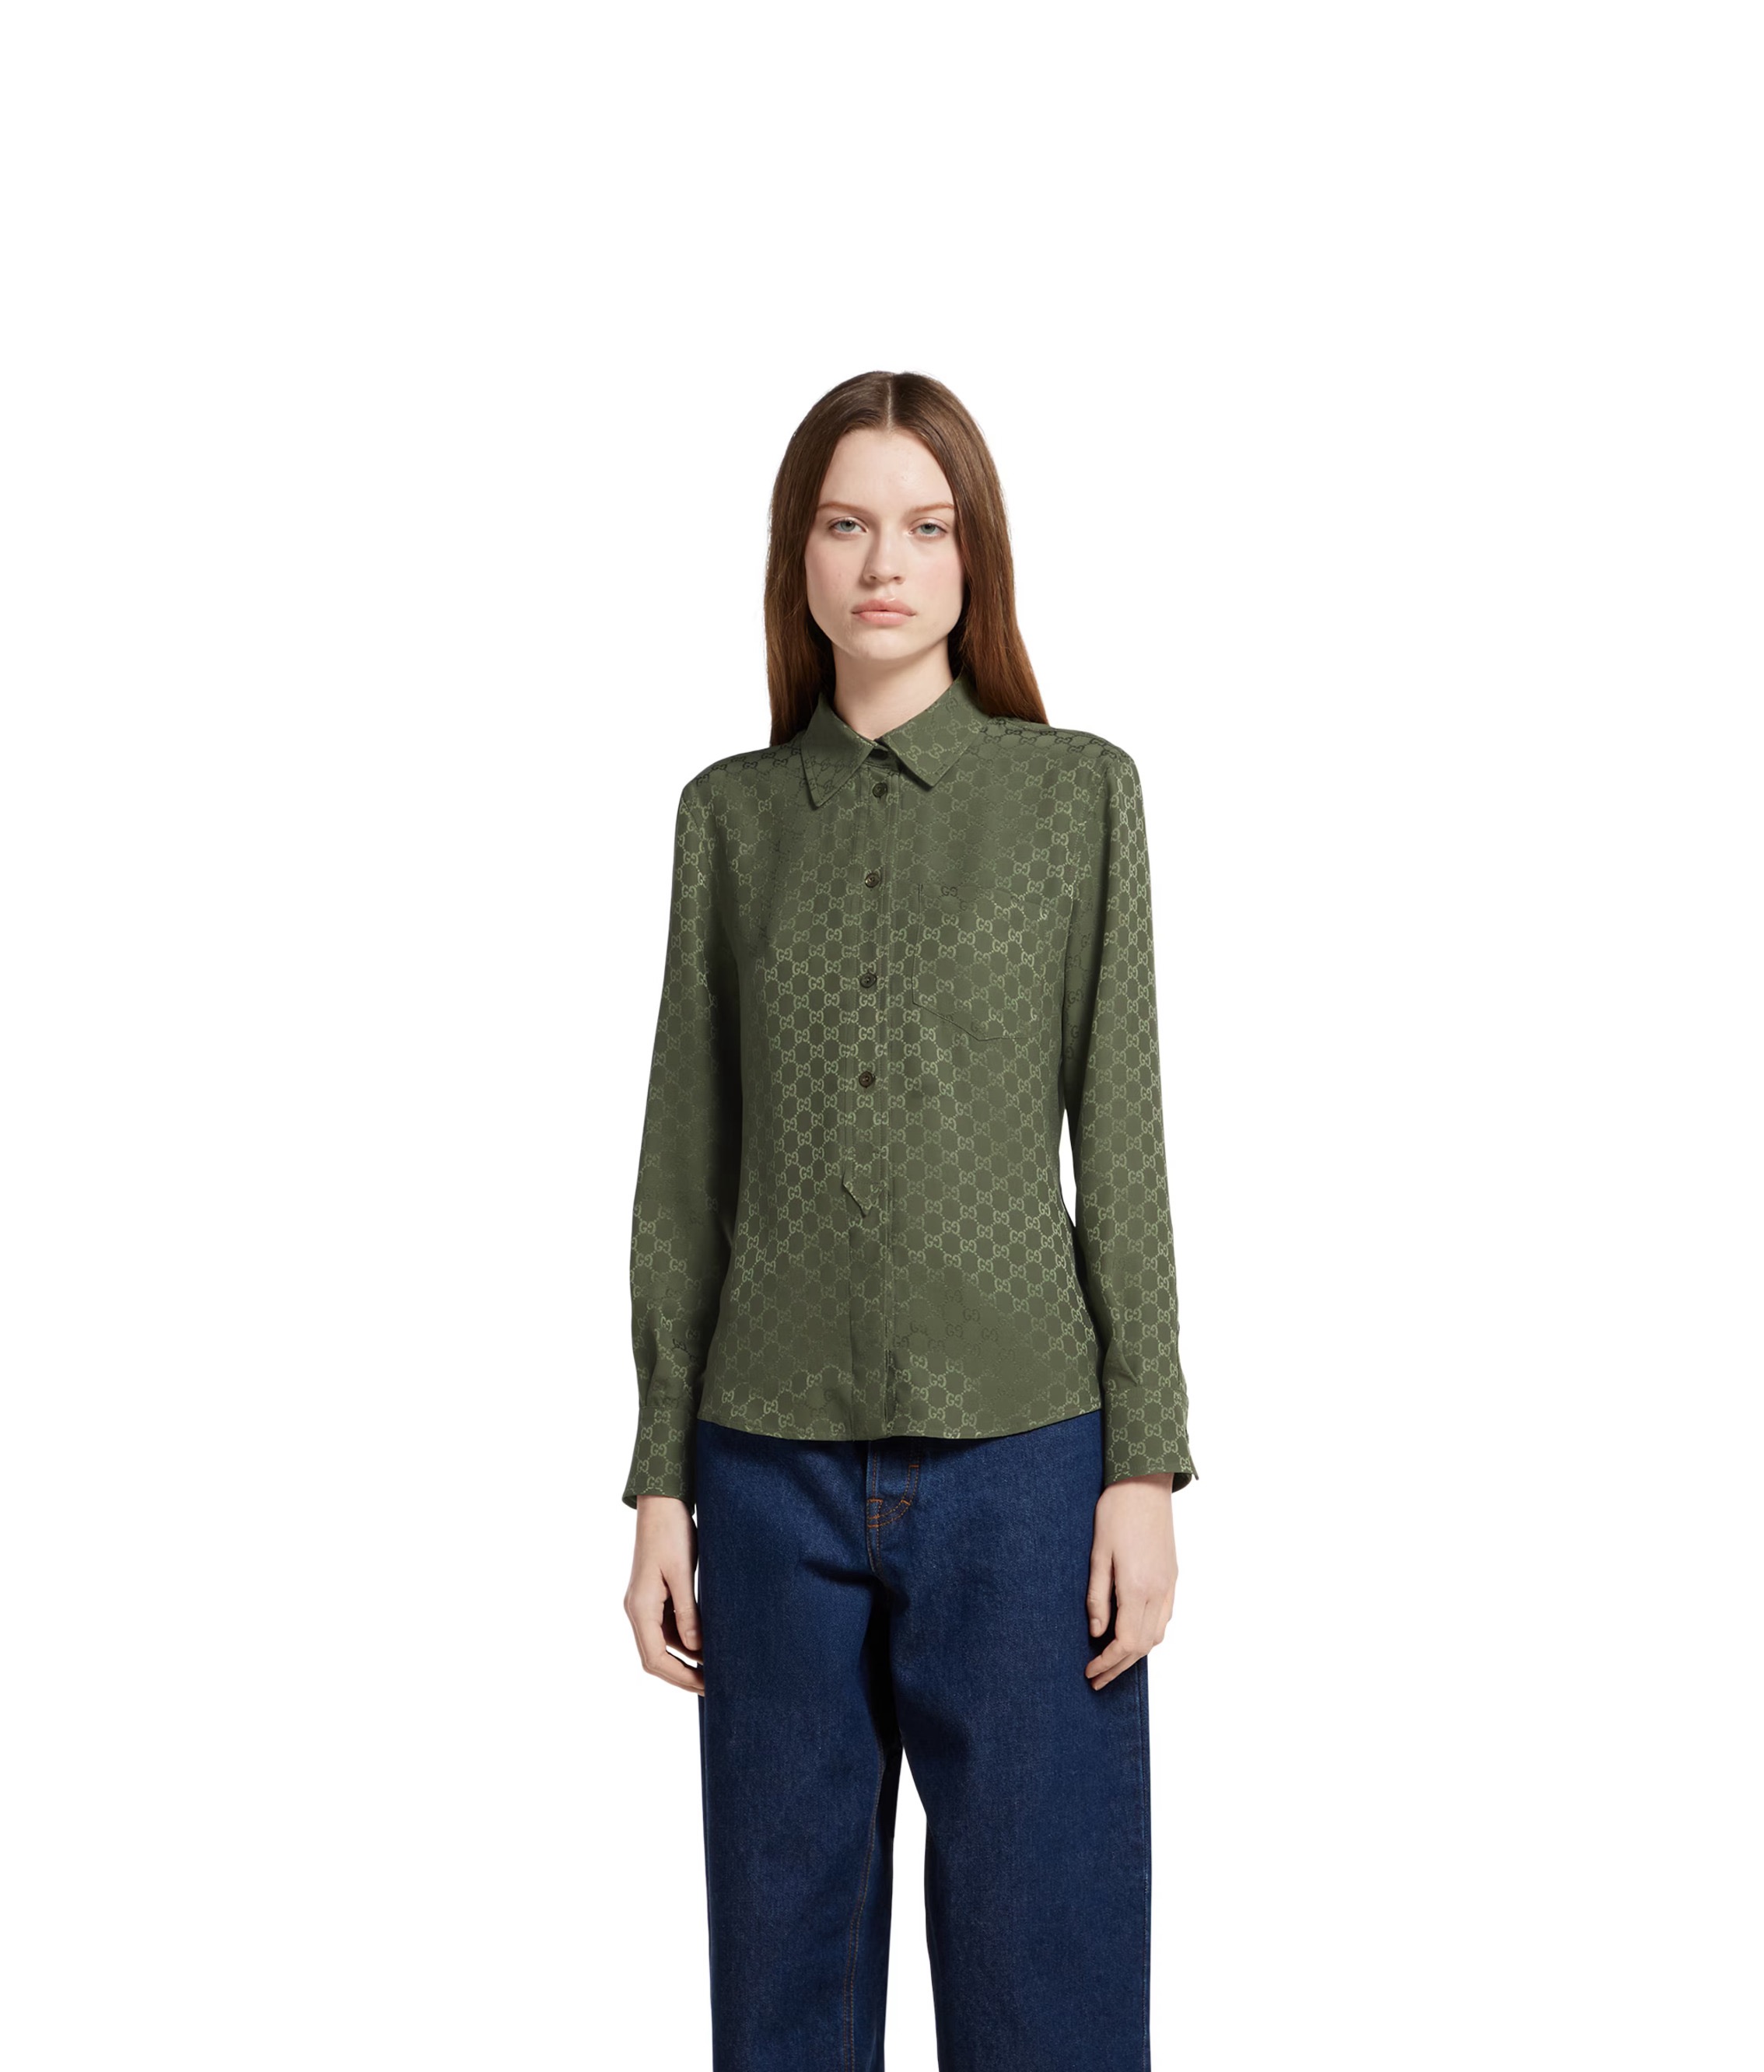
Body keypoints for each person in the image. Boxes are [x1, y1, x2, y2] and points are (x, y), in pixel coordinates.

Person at [620, 368, 1197, 2071]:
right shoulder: (729, 821)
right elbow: (685, 1167)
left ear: (974, 556)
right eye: (848, 524)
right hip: (766, 1469)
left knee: (1048, 1991)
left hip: (1028, 1467)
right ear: (797, 556)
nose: (887, 563)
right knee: (781, 2003)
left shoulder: (1078, 798)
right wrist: (660, 1481)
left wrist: (1142, 1465)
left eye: (928, 527)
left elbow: (1127, 1144)